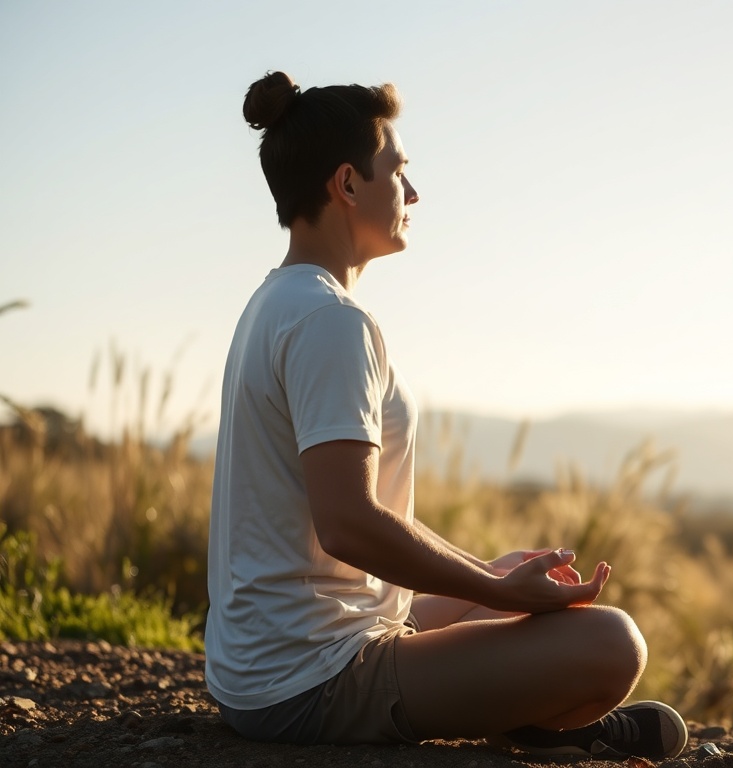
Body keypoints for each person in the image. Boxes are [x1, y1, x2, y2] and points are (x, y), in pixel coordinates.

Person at [204, 70, 688, 761]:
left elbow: (355, 517)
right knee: (611, 642)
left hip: (278, 658)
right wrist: (489, 587)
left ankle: (522, 713)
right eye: (398, 172)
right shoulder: (328, 321)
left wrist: (499, 580)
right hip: (308, 677)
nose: (413, 193)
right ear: (347, 185)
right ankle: (542, 725)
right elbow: (347, 523)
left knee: (523, 573)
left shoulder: (276, 301)